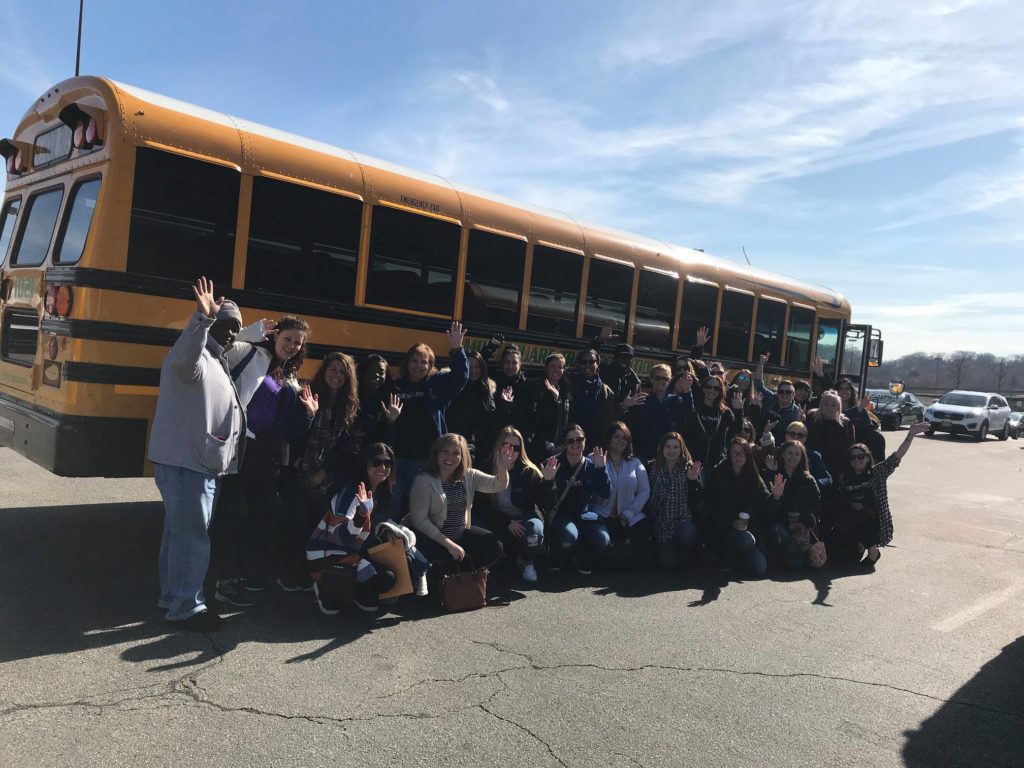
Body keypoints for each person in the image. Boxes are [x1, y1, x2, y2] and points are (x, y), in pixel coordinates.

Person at [149, 277, 245, 631]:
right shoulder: (195, 355)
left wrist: (240, 327)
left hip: (197, 463)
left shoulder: (218, 359)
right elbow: (185, 359)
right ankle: (187, 607)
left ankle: (172, 596)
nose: (232, 334)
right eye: (226, 326)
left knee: (179, 534)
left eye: (236, 329)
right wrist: (202, 319)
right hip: (186, 464)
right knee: (191, 538)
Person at [219, 314, 318, 597]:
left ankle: (247, 575)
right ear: (275, 337)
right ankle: (222, 579)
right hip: (240, 447)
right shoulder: (251, 354)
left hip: (265, 456)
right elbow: (218, 348)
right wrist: (250, 333)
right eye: (288, 339)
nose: (292, 346)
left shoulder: (289, 378)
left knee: (260, 516)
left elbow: (291, 430)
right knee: (233, 513)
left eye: (298, 343)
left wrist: (308, 415)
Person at [309, 442, 429, 614]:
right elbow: (338, 537)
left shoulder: (383, 491)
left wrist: (388, 531)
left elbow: (378, 522)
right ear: (365, 464)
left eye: (388, 463)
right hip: (330, 553)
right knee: (382, 579)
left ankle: (356, 593)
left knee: (393, 575)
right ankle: (324, 585)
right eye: (376, 462)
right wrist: (360, 517)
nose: (382, 467)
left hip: (357, 549)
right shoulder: (352, 492)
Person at [406, 433, 514, 583]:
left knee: (495, 545)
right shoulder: (423, 480)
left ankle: (462, 576)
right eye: (445, 451)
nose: (450, 457)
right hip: (433, 540)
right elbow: (419, 521)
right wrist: (449, 545)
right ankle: (439, 577)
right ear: (437, 453)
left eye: (456, 453)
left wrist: (502, 468)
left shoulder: (469, 476)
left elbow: (498, 484)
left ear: (462, 457)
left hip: (460, 535)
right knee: (426, 549)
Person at [391, 323, 470, 514]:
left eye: (424, 362)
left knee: (417, 510)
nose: (419, 366)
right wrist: (390, 420)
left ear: (430, 366)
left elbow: (461, 377)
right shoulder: (396, 386)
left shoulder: (437, 385)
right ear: (407, 363)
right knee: (393, 506)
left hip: (425, 459)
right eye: (414, 361)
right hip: (397, 458)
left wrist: (457, 349)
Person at [828, 421, 930, 567]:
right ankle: (858, 545)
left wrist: (910, 435)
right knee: (842, 556)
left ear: (868, 457)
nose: (857, 460)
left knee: (863, 518)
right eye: (853, 457)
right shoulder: (844, 477)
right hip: (851, 519)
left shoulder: (877, 473)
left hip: (873, 520)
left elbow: (896, 457)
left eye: (860, 456)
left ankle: (873, 552)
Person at [477, 427, 558, 583]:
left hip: (522, 520)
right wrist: (506, 523)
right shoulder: (486, 468)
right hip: (496, 519)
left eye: (516, 448)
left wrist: (548, 482)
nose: (511, 451)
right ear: (499, 446)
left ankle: (527, 561)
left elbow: (547, 505)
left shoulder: (528, 471)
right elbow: (481, 506)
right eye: (506, 445)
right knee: (475, 525)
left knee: (535, 529)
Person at [291, 352, 360, 511]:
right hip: (299, 469)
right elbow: (294, 434)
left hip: (327, 476)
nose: (337, 375)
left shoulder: (348, 406)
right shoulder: (306, 395)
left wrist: (324, 472)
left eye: (343, 372)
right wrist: (308, 415)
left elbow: (344, 445)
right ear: (324, 371)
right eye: (333, 369)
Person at [547, 424, 611, 575]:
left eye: (579, 439)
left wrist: (602, 469)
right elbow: (543, 498)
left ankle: (581, 555)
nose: (575, 444)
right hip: (560, 515)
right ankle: (556, 553)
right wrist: (548, 480)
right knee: (569, 536)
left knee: (602, 539)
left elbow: (605, 493)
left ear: (585, 440)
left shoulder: (592, 465)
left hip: (583, 514)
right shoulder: (553, 463)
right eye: (570, 441)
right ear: (564, 443)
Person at [705, 437, 772, 577]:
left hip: (750, 528)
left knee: (760, 568)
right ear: (729, 454)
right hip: (723, 528)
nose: (739, 456)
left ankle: (740, 558)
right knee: (745, 540)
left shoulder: (754, 475)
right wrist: (731, 522)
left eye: (742, 453)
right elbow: (710, 507)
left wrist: (776, 497)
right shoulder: (718, 473)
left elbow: (766, 503)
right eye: (735, 453)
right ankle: (725, 556)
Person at [589, 422, 651, 566]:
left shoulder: (635, 463)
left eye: (624, 438)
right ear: (609, 439)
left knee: (645, 528)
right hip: (601, 514)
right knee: (601, 541)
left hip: (628, 516)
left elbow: (644, 491)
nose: (620, 441)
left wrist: (629, 512)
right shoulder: (595, 457)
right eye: (617, 437)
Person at [762, 440, 823, 568]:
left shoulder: (808, 479)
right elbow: (765, 505)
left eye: (797, 454)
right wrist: (771, 475)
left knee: (795, 565)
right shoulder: (774, 474)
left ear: (801, 457)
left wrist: (808, 518)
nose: (793, 457)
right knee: (778, 534)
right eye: (789, 453)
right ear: (783, 454)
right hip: (780, 524)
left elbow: (816, 503)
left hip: (799, 527)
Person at [646, 432, 702, 570]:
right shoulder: (653, 468)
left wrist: (693, 481)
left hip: (683, 521)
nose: (672, 451)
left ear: (681, 449)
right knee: (668, 564)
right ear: (662, 448)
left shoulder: (688, 468)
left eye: (676, 447)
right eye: (668, 447)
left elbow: (698, 499)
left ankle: (687, 551)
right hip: (661, 523)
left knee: (687, 536)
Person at [446, 350, 509, 460]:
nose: (473, 370)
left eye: (477, 366)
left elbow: (492, 422)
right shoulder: (451, 387)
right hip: (450, 443)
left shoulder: (486, 391)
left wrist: (504, 404)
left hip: (475, 449)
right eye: (469, 366)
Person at [624, 363, 691, 462]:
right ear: (651, 379)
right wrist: (625, 406)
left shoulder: (677, 401)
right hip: (643, 456)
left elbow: (689, 414)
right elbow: (627, 428)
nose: (661, 381)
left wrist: (687, 392)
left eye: (665, 378)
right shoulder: (640, 400)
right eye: (658, 378)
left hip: (668, 457)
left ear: (670, 380)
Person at [680, 375, 743, 476]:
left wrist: (738, 410)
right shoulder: (695, 408)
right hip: (694, 462)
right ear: (703, 388)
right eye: (708, 387)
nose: (712, 390)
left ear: (720, 391)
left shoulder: (725, 412)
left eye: (716, 388)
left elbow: (737, 430)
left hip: (716, 465)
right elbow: (684, 429)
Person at [521, 353, 572, 464]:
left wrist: (564, 444)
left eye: (560, 367)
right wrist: (554, 399)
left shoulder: (567, 390)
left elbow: (570, 419)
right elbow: (535, 418)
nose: (556, 370)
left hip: (560, 447)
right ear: (546, 368)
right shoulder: (535, 387)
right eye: (552, 366)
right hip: (539, 447)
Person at [350, 354, 402, 458]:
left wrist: (391, 421)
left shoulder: (391, 401)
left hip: (374, 458)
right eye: (370, 371)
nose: (376, 375)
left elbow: (390, 441)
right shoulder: (349, 396)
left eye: (381, 372)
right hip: (346, 456)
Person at [567, 349, 618, 450]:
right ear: (578, 365)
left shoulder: (606, 390)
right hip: (573, 442)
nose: (588, 365)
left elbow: (609, 418)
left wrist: (624, 406)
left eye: (592, 362)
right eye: (583, 362)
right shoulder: (569, 384)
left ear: (597, 364)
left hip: (596, 445)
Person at [805, 391, 856, 483]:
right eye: (826, 404)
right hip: (812, 465)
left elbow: (850, 446)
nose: (829, 408)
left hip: (836, 467)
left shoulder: (846, 423)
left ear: (838, 408)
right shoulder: (810, 417)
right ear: (820, 405)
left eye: (833, 405)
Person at [753, 353, 804, 442]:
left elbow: (798, 436)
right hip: (760, 442)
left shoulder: (796, 412)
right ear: (777, 393)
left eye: (788, 392)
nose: (784, 394)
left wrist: (801, 422)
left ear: (793, 395)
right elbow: (758, 383)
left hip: (780, 448)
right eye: (781, 392)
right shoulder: (771, 398)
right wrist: (761, 364)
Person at [773, 420, 831, 492]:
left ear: (805, 438)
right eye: (792, 434)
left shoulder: (814, 456)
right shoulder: (776, 452)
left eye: (800, 435)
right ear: (786, 435)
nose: (796, 437)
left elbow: (827, 479)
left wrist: (811, 484)